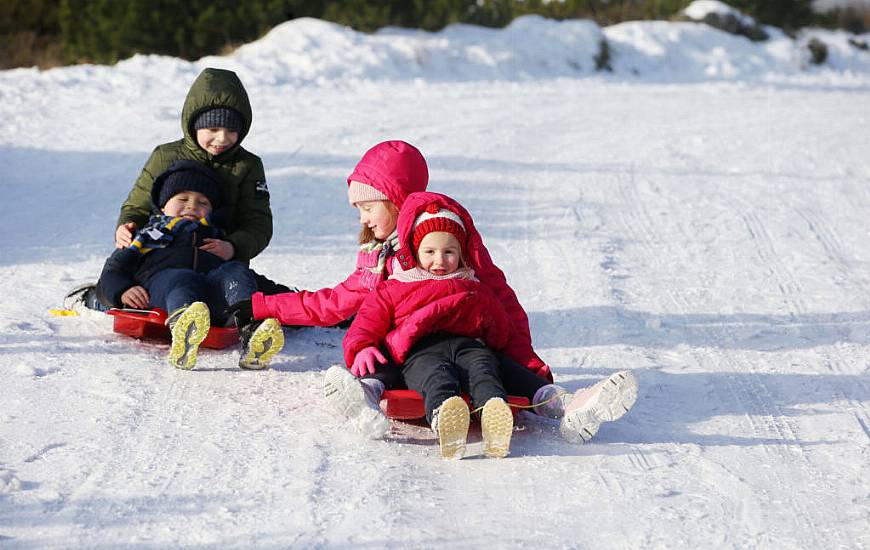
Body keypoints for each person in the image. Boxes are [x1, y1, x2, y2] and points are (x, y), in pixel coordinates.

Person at [231, 140, 637, 443]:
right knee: (379, 363)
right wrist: (264, 305)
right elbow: (342, 303)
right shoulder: (379, 257)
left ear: (394, 200)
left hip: (469, 348)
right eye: (358, 211)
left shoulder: (448, 240)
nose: (363, 219)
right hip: (414, 355)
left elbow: (500, 300)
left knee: (507, 371)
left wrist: (529, 362)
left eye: (368, 207)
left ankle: (570, 405)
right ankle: (364, 398)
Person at [342, 201, 516, 459]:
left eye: (449, 252)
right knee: (437, 378)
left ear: (461, 254)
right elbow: (368, 318)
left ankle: (493, 415)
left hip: (469, 347)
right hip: (420, 352)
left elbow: (501, 328)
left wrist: (493, 336)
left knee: (484, 371)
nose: (440, 260)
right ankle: (445, 420)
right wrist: (362, 346)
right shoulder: (398, 285)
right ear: (415, 251)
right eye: (430, 252)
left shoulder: (472, 286)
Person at [97, 160, 284, 371]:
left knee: (236, 270)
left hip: (211, 301)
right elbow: (113, 271)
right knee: (182, 278)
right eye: (182, 199)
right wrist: (123, 290)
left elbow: (251, 280)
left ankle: (252, 330)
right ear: (162, 205)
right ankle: (183, 328)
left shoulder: (218, 240)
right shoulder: (146, 237)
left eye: (203, 203)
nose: (192, 206)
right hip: (163, 289)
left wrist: (299, 303)